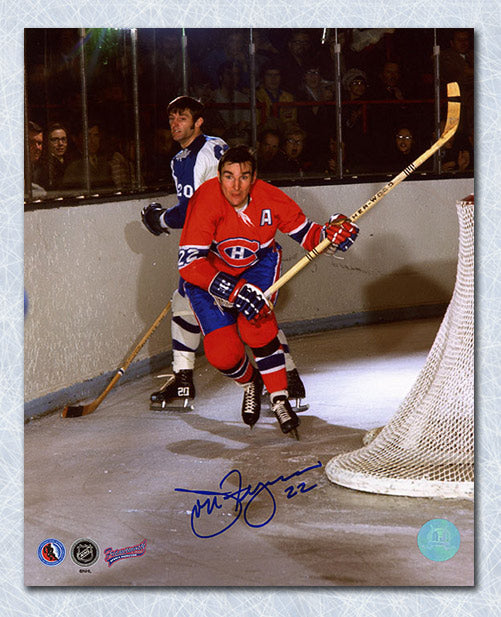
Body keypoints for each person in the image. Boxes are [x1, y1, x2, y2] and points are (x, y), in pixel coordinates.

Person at [177, 145, 359, 437]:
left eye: (244, 177)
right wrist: (232, 290)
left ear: (254, 177)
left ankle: (279, 399)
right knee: (223, 354)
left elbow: (309, 235)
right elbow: (188, 265)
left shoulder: (271, 198)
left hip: (257, 267)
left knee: (257, 328)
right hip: (211, 273)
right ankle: (251, 382)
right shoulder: (206, 199)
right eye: (228, 177)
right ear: (219, 176)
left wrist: (331, 236)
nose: (236, 186)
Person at [142, 97, 308, 412]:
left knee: (193, 303)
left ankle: (183, 380)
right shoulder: (212, 145)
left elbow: (192, 213)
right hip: (222, 242)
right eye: (172, 117)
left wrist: (160, 220)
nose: (176, 123)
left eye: (183, 117)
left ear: (198, 122)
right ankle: (288, 374)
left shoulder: (192, 158)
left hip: (220, 247)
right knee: (253, 308)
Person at [38, 122, 69, 191]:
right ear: (47, 142)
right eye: (55, 140)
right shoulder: (44, 166)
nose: (60, 143)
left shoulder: (70, 161)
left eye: (63, 139)